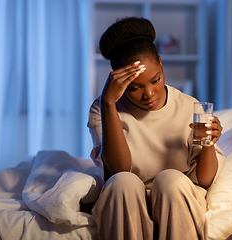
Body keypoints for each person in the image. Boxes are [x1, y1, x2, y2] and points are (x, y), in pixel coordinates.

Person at [87, 17, 224, 240]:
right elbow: (118, 170)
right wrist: (108, 103)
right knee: (123, 182)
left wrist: (209, 143)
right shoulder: (102, 108)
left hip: (176, 199)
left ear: (161, 63)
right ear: (118, 82)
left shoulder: (190, 106)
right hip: (126, 200)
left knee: (170, 179)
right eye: (134, 87)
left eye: (156, 79)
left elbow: (205, 180)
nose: (149, 94)